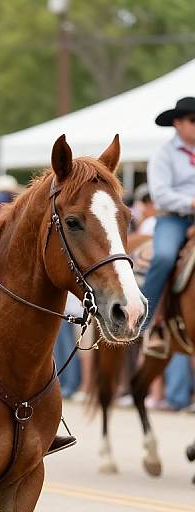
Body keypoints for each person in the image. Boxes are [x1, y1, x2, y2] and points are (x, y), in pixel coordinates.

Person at [141, 97, 195, 402]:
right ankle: (151, 323)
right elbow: (160, 195)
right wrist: (191, 203)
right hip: (173, 219)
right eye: (193, 121)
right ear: (178, 123)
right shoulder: (163, 155)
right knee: (162, 256)